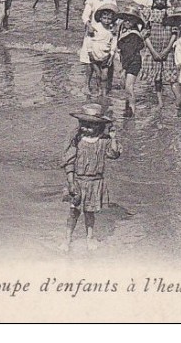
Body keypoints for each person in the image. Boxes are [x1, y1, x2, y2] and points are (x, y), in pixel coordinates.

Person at [61, 104, 121, 251]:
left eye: (91, 125)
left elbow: (114, 154)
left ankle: (90, 237)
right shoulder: (77, 140)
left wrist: (113, 138)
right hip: (78, 180)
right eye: (84, 124)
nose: (87, 128)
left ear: (100, 126)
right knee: (74, 212)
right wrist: (71, 182)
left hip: (95, 182)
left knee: (89, 212)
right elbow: (69, 162)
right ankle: (67, 239)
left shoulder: (104, 140)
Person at [142, 0, 181, 109]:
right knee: (156, 77)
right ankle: (160, 101)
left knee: (172, 77)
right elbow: (145, 34)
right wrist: (153, 51)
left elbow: (174, 34)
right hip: (153, 48)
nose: (160, 1)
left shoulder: (170, 13)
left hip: (167, 49)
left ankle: (179, 99)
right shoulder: (148, 13)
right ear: (153, 0)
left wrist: (167, 49)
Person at [116, 5, 149, 118]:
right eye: (126, 19)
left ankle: (132, 110)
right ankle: (127, 108)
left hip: (133, 62)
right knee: (126, 86)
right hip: (128, 60)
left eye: (131, 20)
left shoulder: (133, 35)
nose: (127, 22)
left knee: (129, 86)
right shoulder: (125, 31)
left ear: (135, 21)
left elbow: (129, 53)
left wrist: (124, 69)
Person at [85, 3, 118, 96]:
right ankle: (99, 89)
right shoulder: (95, 28)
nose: (106, 21)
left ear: (112, 20)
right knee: (98, 74)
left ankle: (103, 91)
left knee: (104, 76)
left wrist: (111, 55)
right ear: (100, 18)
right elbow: (89, 40)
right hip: (94, 55)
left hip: (105, 55)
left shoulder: (112, 30)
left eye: (109, 19)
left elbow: (114, 43)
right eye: (104, 18)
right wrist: (89, 52)